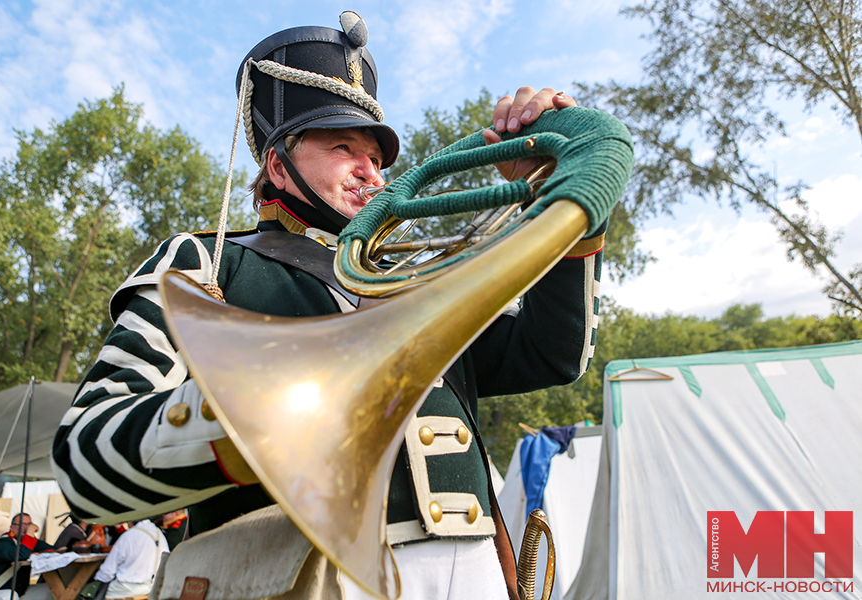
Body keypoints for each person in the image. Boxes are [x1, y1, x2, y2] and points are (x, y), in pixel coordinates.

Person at [51, 11, 608, 600]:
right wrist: (257, 415)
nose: (369, 170)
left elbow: (554, 356)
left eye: (376, 156)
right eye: (343, 146)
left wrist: (558, 196)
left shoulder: (416, 282)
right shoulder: (208, 263)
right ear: (278, 166)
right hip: (303, 578)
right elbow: (84, 457)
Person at [0, 513, 53, 600]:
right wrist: (30, 533)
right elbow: (21, 555)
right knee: (9, 596)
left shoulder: (28, 543)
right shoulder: (1, 543)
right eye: (22, 524)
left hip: (18, 592)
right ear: (12, 528)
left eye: (29, 524)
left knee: (50, 590)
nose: (26, 527)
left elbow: (52, 549)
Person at [93, 519, 168, 600]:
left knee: (89, 592)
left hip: (127, 588)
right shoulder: (159, 534)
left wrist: (94, 582)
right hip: (153, 587)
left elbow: (107, 572)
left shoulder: (130, 535)